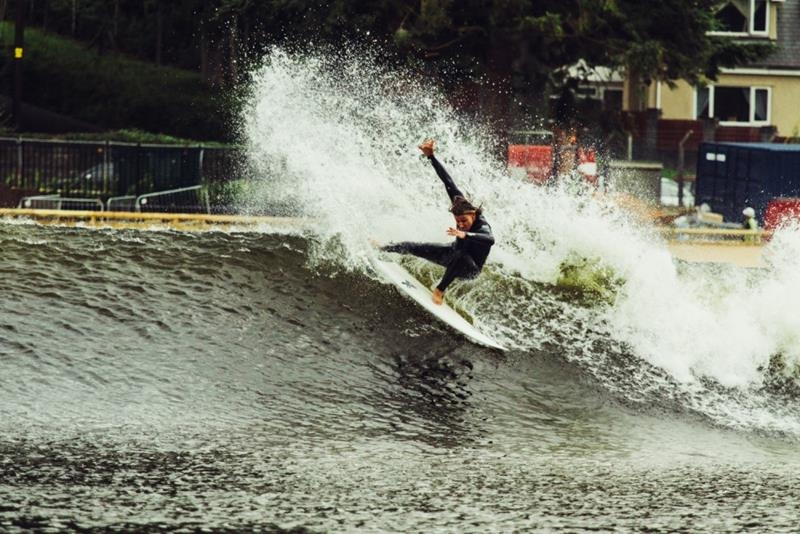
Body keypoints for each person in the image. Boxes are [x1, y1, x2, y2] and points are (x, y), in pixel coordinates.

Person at [381, 138, 495, 305]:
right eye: (458, 221)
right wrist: (431, 157)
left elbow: (490, 240)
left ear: (474, 214)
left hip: (469, 269)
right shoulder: (460, 204)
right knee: (413, 247)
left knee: (461, 255)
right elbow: (448, 181)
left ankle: (440, 290)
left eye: (464, 220)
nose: (461, 224)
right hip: (451, 254)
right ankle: (383, 249)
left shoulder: (483, 227)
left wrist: (465, 234)